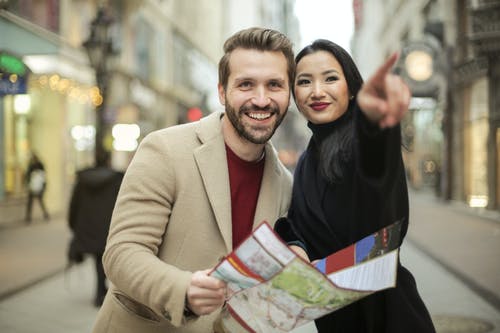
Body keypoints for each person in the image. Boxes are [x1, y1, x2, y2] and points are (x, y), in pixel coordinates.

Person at [92, 27, 294, 333]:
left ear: (289, 92)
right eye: (246, 84)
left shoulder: (285, 184)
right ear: (223, 92)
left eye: (275, 85)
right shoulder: (164, 149)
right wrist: (184, 290)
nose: (262, 99)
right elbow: (122, 253)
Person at [275, 40, 436, 332]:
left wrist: (374, 127)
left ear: (351, 89)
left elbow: (376, 180)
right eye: (304, 81)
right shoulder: (307, 159)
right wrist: (296, 246)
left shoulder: (361, 142)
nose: (317, 91)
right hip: (336, 320)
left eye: (331, 78)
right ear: (294, 94)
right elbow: (297, 225)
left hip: (388, 317)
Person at [67, 151, 124, 307]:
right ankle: (101, 292)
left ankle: (100, 291)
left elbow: (74, 204)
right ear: (108, 160)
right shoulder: (116, 179)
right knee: (102, 258)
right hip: (108, 225)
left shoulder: (83, 179)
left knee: (98, 259)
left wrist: (73, 225)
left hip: (89, 225)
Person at [24, 152, 49, 222]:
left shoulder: (37, 165)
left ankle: (45, 214)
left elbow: (43, 176)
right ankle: (29, 217)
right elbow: (28, 176)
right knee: (34, 202)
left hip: (37, 186)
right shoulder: (32, 165)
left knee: (38, 201)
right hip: (33, 186)